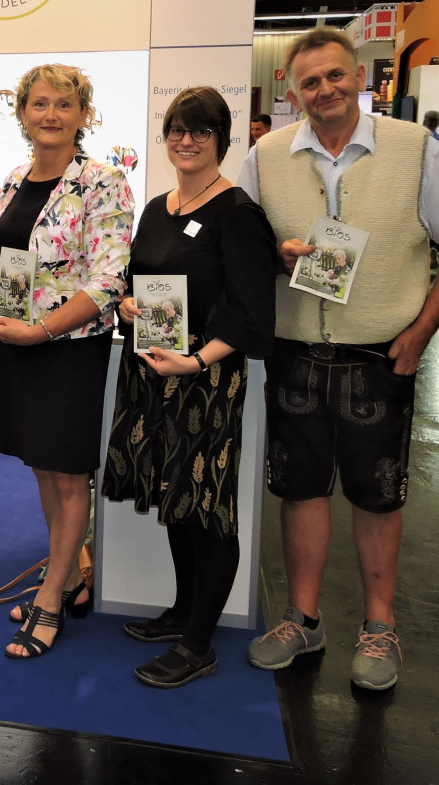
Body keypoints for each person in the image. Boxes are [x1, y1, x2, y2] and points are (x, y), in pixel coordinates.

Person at [240, 28, 439, 691]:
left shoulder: (414, 151)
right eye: (309, 81)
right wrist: (277, 256)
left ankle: (380, 628)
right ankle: (303, 617)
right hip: (295, 350)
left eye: (335, 77)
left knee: (378, 495)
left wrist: (422, 332)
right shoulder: (264, 156)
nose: (323, 90)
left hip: (382, 354)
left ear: (360, 79)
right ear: (292, 91)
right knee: (299, 490)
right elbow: (239, 248)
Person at [102, 86, 277, 687]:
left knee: (208, 508)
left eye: (200, 130)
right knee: (176, 496)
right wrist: (126, 304)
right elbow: (134, 280)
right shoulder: (158, 206)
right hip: (152, 371)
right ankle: (181, 612)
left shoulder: (239, 213)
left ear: (221, 140)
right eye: (177, 129)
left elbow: (253, 312)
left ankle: (200, 643)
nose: (186, 140)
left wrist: (198, 361)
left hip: (205, 380)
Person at [0, 63, 134, 658]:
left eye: (63, 105)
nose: (50, 114)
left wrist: (41, 330)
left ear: (83, 115)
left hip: (68, 349)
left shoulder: (103, 182)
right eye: (39, 103)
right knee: (44, 468)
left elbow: (106, 281)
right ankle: (72, 573)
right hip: (19, 344)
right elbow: (15, 266)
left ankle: (51, 599)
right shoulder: (15, 179)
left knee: (70, 474)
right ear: (22, 113)